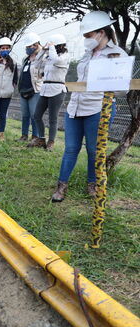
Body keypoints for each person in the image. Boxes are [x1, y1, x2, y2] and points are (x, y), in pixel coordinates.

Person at [51, 11, 127, 202]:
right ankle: (61, 186)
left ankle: (92, 185)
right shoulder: (87, 54)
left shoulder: (117, 54)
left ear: (101, 33)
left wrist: (105, 85)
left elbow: (123, 89)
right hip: (75, 107)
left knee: (94, 150)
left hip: (98, 108)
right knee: (70, 148)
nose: (85, 40)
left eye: (88, 36)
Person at [34, 34, 71, 151]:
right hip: (45, 87)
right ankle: (41, 138)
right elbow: (36, 63)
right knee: (37, 115)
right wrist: (43, 51)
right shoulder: (49, 56)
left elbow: (56, 60)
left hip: (57, 88)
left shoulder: (65, 56)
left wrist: (51, 48)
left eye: (53, 46)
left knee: (52, 117)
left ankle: (51, 142)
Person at [18, 32, 44, 145]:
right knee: (25, 115)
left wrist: (42, 51)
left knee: (34, 115)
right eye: (27, 47)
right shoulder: (25, 59)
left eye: (30, 46)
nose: (28, 48)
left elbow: (43, 73)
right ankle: (24, 135)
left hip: (35, 90)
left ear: (37, 45)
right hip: (23, 90)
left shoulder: (41, 58)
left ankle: (35, 136)